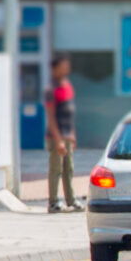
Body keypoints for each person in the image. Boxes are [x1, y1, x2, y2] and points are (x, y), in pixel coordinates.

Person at [44, 54, 79, 213]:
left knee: (68, 169)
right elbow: (51, 118)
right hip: (56, 136)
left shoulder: (67, 85)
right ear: (54, 68)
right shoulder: (50, 89)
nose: (66, 69)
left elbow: (70, 113)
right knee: (56, 169)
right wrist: (58, 141)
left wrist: (72, 134)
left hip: (67, 135)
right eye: (63, 66)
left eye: (67, 66)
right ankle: (53, 202)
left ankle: (71, 201)